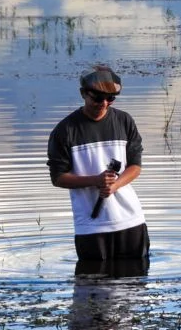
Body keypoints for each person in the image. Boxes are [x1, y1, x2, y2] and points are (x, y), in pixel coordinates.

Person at [47, 65, 150, 274]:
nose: (103, 104)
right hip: (91, 226)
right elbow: (58, 178)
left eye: (110, 99)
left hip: (131, 220)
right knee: (91, 295)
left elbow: (135, 166)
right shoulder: (65, 131)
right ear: (84, 94)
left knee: (136, 291)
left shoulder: (124, 121)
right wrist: (95, 180)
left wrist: (114, 186)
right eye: (98, 98)